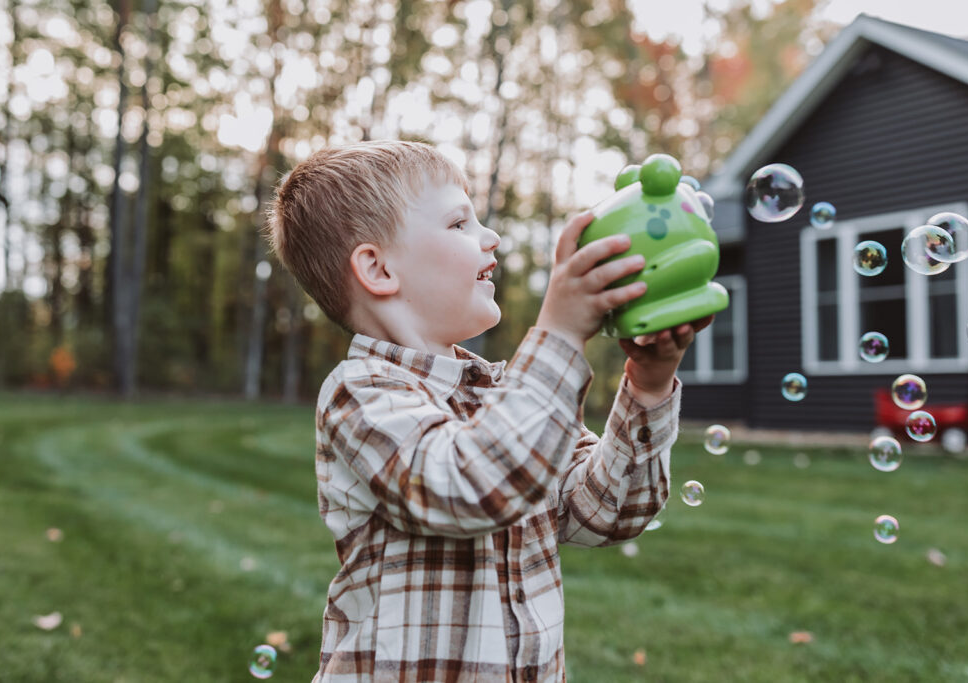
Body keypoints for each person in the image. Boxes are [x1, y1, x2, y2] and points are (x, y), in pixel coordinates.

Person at [266, 140, 712, 682]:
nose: (491, 236)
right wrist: (560, 333)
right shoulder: (358, 394)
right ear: (378, 269)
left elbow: (609, 512)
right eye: (459, 224)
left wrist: (648, 383)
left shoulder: (508, 395)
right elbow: (470, 484)